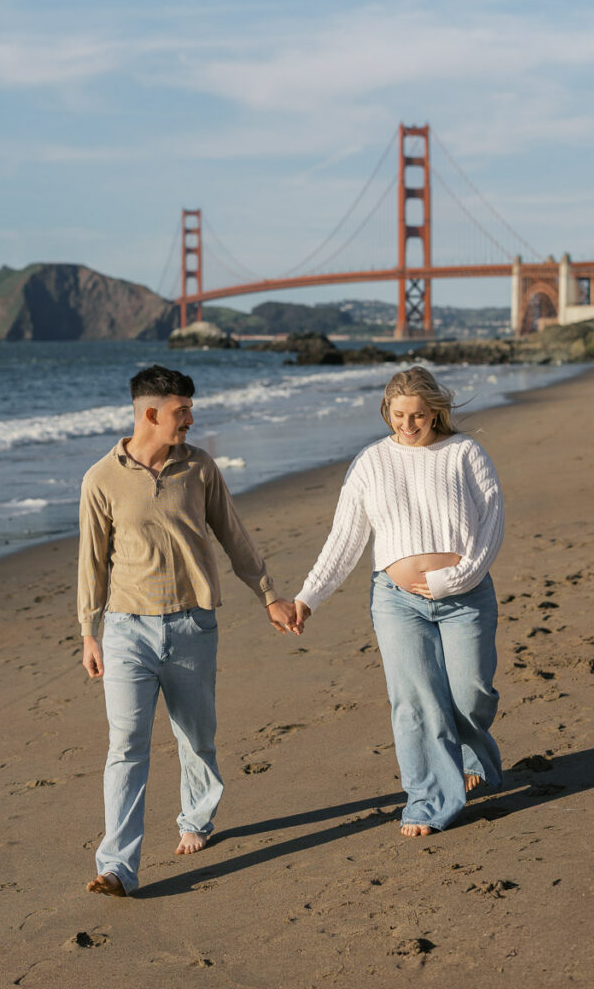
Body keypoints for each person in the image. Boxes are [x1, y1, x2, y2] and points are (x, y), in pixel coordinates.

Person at [79, 364, 297, 896]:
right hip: (126, 630)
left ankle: (197, 818)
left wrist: (269, 594)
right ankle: (117, 865)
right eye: (183, 411)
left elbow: (233, 535)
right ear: (151, 414)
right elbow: (92, 562)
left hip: (192, 624)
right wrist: (89, 631)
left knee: (196, 736)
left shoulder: (200, 467)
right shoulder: (100, 479)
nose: (191, 420)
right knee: (126, 745)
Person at [294, 366, 504, 837]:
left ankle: (472, 754)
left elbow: (492, 522)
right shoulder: (370, 462)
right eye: (399, 415)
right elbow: (345, 539)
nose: (408, 425)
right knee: (415, 703)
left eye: (419, 416)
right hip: (397, 602)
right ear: (387, 411)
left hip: (466, 594)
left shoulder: (464, 453)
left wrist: (459, 577)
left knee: (471, 693)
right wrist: (309, 596)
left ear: (436, 412)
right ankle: (429, 801)